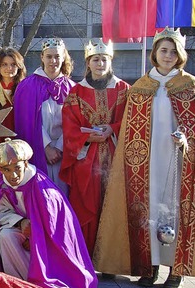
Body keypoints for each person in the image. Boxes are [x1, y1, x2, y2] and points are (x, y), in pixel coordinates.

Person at [95, 27, 195, 288]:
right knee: (148, 209)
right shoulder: (141, 87)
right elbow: (131, 129)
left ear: (181, 55)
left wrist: (185, 139)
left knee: (174, 209)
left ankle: (176, 270)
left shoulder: (190, 86)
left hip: (177, 160)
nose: (168, 55)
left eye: (173, 51)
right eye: (164, 50)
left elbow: (194, 125)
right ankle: (148, 266)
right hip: (146, 163)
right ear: (155, 53)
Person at [0, 139, 97, 288]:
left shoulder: (41, 188)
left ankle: (41, 284)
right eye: (7, 170)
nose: (13, 175)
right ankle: (19, 283)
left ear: (25, 164)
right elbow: (0, 212)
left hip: (47, 241)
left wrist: (34, 237)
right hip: (23, 229)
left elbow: (54, 228)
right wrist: (20, 223)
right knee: (5, 236)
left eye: (17, 168)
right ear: (0, 169)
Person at [60, 39, 129, 255]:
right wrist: (88, 137)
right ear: (88, 63)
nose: (100, 63)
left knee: (113, 205)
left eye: (104, 59)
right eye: (95, 59)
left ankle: (110, 259)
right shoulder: (76, 92)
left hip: (116, 158)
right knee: (85, 204)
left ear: (110, 62)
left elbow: (132, 121)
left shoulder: (124, 89)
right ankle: (86, 255)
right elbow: (69, 125)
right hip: (86, 159)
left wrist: (112, 128)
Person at [14, 38, 75, 194]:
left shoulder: (72, 88)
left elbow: (74, 122)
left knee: (62, 196)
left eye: (57, 56)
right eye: (49, 56)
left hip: (64, 152)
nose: (53, 61)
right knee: (41, 195)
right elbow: (27, 121)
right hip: (38, 149)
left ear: (63, 58)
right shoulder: (27, 86)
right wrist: (46, 148)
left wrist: (59, 148)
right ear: (42, 57)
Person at [0, 47, 26, 133]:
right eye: (4, 64)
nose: (9, 68)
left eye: (13, 64)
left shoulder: (24, 87)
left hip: (18, 130)